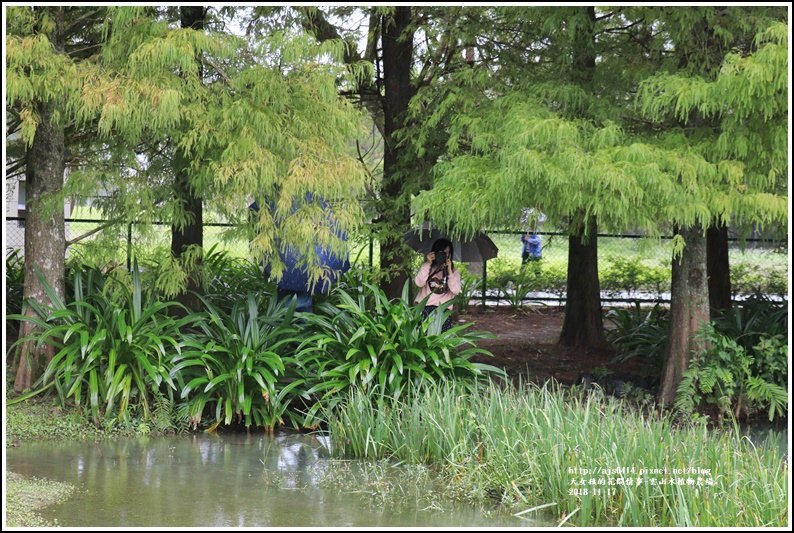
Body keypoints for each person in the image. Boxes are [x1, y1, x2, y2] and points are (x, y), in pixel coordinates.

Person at [414, 238, 461, 332]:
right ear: (434, 253)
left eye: (446, 252)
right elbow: (419, 283)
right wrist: (428, 263)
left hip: (443, 311)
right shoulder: (427, 267)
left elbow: (456, 290)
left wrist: (449, 271)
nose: (443, 255)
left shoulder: (454, 272)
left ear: (450, 254)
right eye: (440, 252)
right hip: (425, 308)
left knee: (440, 343)